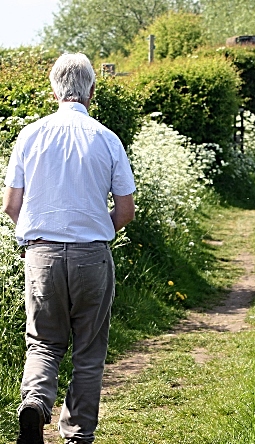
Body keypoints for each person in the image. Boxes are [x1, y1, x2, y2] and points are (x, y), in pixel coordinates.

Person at [1, 53, 136, 444]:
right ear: (91, 90)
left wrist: (37, 237)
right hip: (92, 255)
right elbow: (125, 210)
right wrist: (96, 230)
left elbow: (11, 206)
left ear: (53, 90)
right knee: (89, 351)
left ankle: (36, 402)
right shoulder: (106, 138)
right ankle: (77, 436)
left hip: (41, 254)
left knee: (43, 342)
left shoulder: (30, 135)